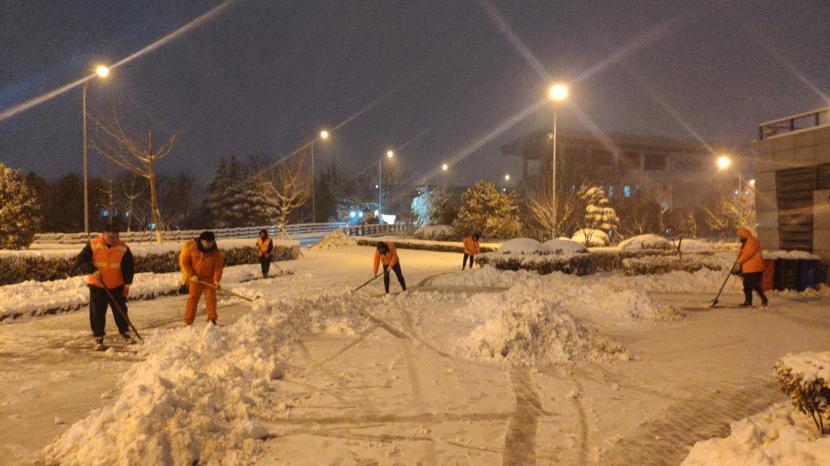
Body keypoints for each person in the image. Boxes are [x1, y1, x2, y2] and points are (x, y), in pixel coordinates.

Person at [77, 224, 135, 349]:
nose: (113, 240)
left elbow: (129, 267)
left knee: (120, 311)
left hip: (117, 285)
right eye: (110, 237)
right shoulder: (93, 245)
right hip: (98, 285)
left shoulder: (123, 248)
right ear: (104, 234)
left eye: (115, 237)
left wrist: (127, 283)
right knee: (97, 312)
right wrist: (92, 270)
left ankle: (125, 332)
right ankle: (98, 337)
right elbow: (81, 260)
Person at [180, 231, 224, 325]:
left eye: (211, 242)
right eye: (207, 242)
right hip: (196, 279)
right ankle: (188, 321)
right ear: (201, 240)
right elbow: (184, 262)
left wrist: (216, 280)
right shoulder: (192, 248)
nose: (209, 244)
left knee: (211, 298)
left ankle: (212, 319)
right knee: (193, 299)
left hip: (209, 279)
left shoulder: (216, 252)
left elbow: (218, 267)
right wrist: (192, 275)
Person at [733, 227, 768, 307]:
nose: (740, 238)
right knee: (750, 284)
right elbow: (743, 254)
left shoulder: (752, 242)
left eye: (741, 236)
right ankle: (751, 301)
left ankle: (760, 300)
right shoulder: (746, 243)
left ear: (745, 235)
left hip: (755, 267)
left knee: (752, 284)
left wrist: (738, 261)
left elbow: (747, 255)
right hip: (750, 268)